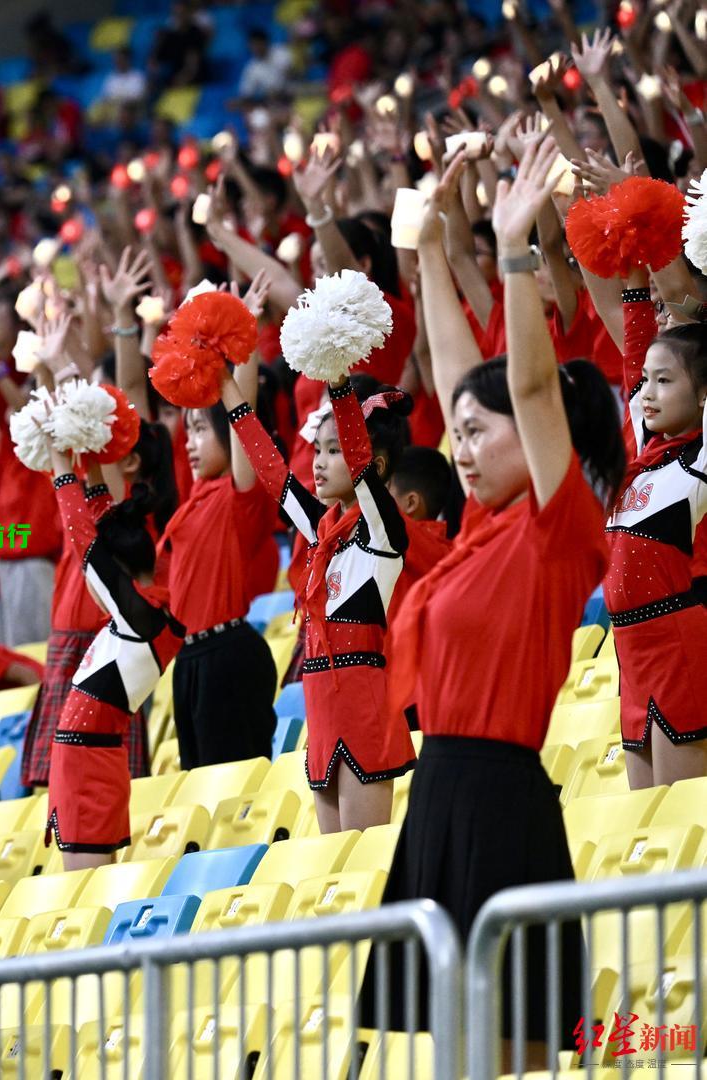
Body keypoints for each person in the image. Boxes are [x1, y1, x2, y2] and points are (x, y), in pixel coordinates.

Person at [371, 136, 626, 1060]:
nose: (461, 449)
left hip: (498, 798)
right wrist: (428, 244)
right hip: (438, 790)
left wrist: (515, 251)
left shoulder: (558, 529)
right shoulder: (482, 528)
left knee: (509, 1051)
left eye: (481, 436)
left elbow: (523, 383)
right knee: (454, 1051)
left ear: (538, 434)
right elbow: (455, 379)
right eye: (461, 437)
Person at [225, 362, 416, 830]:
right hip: (322, 711)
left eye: (334, 451)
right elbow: (272, 472)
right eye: (318, 449)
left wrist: (339, 387)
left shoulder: (382, 534)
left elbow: (362, 471)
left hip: (363, 710)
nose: (319, 461)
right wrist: (223, 386)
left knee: (358, 864)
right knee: (329, 867)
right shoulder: (323, 533)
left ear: (378, 464)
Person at [44, 445, 184, 870]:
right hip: (80, 767)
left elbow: (86, 543)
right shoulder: (137, 608)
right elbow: (102, 527)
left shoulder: (142, 618)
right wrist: (82, 452)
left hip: (89, 772)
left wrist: (61, 469)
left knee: (86, 901)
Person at [605, 286, 707, 786]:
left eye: (664, 381)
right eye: (646, 380)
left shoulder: (698, 463)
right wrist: (630, 285)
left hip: (677, 645)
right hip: (629, 651)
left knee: (683, 812)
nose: (646, 393)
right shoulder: (641, 461)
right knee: (644, 814)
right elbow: (632, 358)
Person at [162, 355, 279, 769]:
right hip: (189, 661)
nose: (189, 443)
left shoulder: (238, 495)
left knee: (231, 790)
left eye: (199, 430)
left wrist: (240, 348)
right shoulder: (191, 499)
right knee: (199, 794)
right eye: (187, 431)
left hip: (228, 657)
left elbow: (240, 415)